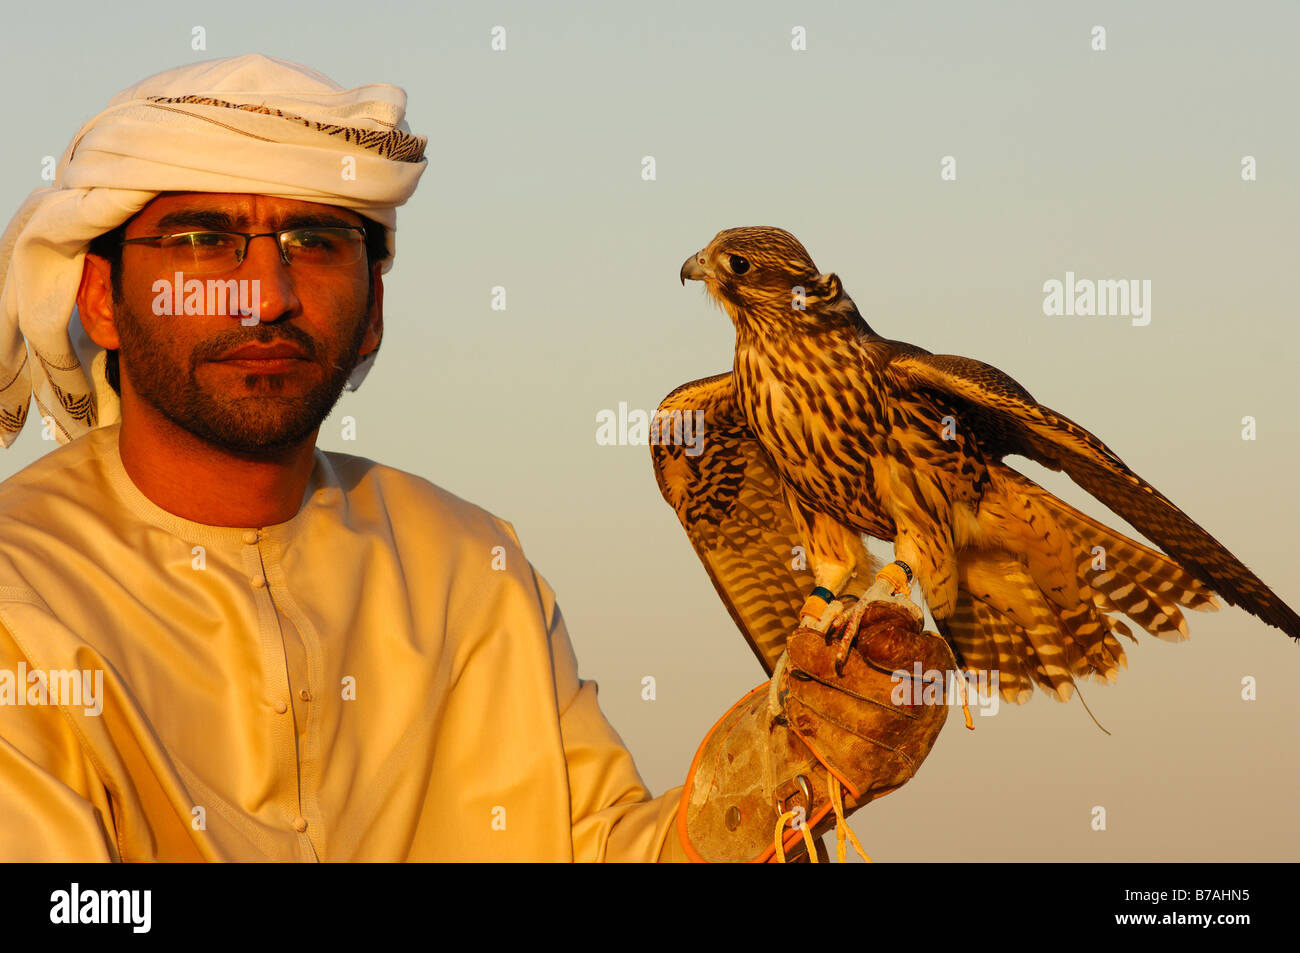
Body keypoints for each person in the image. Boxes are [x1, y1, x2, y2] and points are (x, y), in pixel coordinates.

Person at [0, 55, 946, 862]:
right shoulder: (21, 596)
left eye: (315, 240)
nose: (266, 292)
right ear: (99, 299)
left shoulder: (470, 566)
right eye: (203, 241)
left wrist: (775, 778)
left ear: (372, 308)